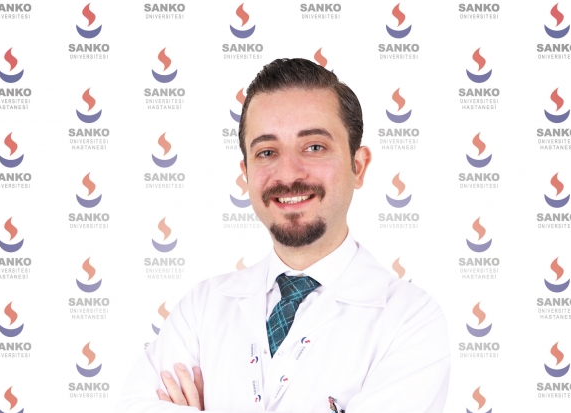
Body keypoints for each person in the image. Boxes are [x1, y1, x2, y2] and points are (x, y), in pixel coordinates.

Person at [117, 58, 450, 413]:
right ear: (245, 173)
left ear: (358, 166)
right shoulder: (201, 309)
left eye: (314, 147)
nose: (288, 173)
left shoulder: (411, 319)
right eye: (267, 152)